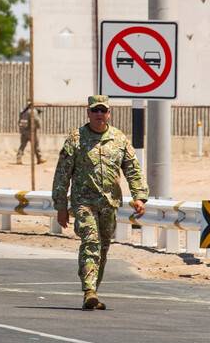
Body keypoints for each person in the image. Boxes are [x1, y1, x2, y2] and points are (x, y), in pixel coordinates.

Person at [51, 94, 149, 311]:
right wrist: (61, 206)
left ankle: (94, 291)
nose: (99, 114)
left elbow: (132, 169)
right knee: (91, 242)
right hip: (83, 202)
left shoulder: (119, 139)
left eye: (102, 110)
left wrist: (139, 196)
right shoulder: (76, 139)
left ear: (109, 114)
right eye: (95, 110)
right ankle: (89, 291)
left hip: (109, 203)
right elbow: (62, 174)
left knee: (103, 248)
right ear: (88, 113)